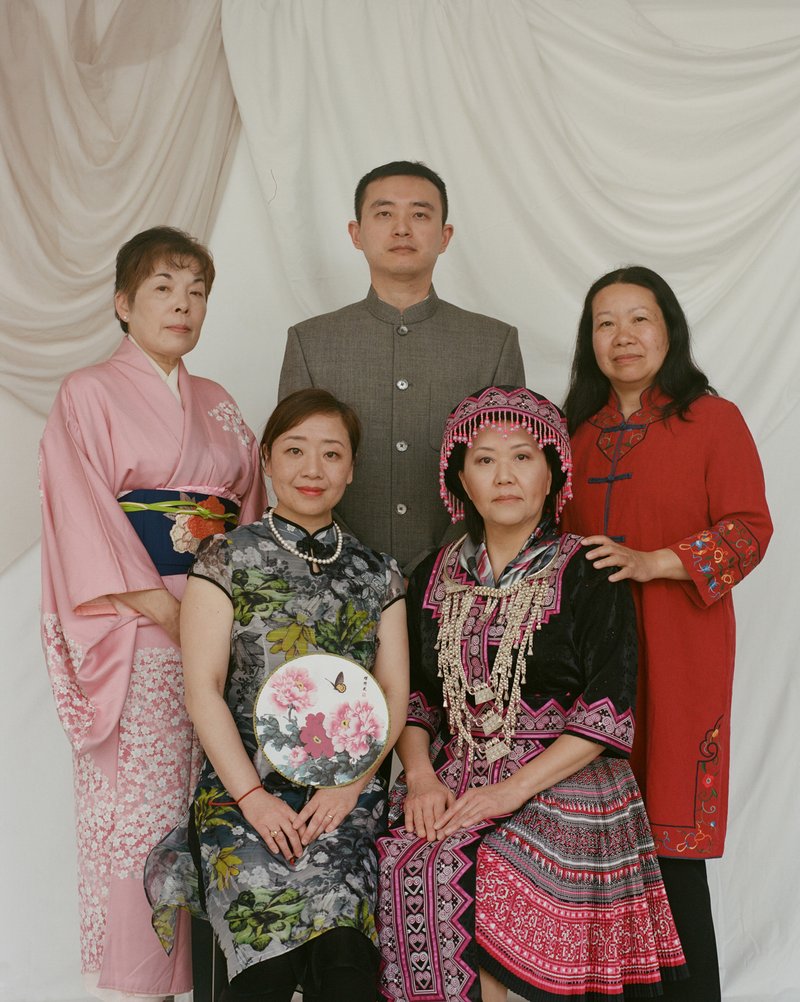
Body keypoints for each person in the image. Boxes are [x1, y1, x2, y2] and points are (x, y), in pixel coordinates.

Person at [377, 385, 687, 1002]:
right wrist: (419, 777)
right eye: (485, 459)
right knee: (405, 861)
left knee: (499, 869)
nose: (505, 475)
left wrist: (510, 791)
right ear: (460, 479)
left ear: (553, 474)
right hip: (453, 774)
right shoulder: (430, 575)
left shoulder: (589, 569)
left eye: (523, 456)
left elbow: (608, 710)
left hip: (565, 778)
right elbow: (415, 700)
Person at [39, 226, 266, 1001]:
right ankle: (142, 989)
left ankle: (215, 985)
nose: (183, 305)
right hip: (141, 636)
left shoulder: (222, 405)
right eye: (165, 289)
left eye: (197, 291)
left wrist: (232, 620)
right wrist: (177, 618)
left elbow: (250, 524)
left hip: (220, 633)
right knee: (144, 824)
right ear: (123, 304)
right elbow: (84, 521)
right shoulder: (88, 394)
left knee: (220, 814)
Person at [145, 388, 410, 1002]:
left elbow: (395, 689)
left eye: (331, 454)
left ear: (352, 468)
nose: (312, 470)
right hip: (243, 796)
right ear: (266, 458)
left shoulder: (380, 571)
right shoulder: (224, 558)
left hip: (345, 799)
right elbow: (203, 689)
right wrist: (253, 799)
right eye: (295, 450)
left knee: (346, 967)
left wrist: (349, 786)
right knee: (261, 973)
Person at [561, 266, 773, 1002]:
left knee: (671, 847)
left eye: (638, 319)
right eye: (605, 323)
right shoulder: (572, 436)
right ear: (589, 341)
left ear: (669, 329)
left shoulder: (713, 420)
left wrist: (658, 561)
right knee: (592, 841)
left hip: (681, 654)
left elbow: (750, 530)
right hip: (588, 667)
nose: (622, 337)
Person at [278, 160, 525, 572]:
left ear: (445, 236)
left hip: (463, 575)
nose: (402, 228)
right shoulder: (310, 342)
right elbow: (295, 467)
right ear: (356, 234)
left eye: (420, 214)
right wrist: (352, 559)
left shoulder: (493, 343)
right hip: (334, 570)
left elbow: (508, 469)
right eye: (384, 213)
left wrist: (444, 560)